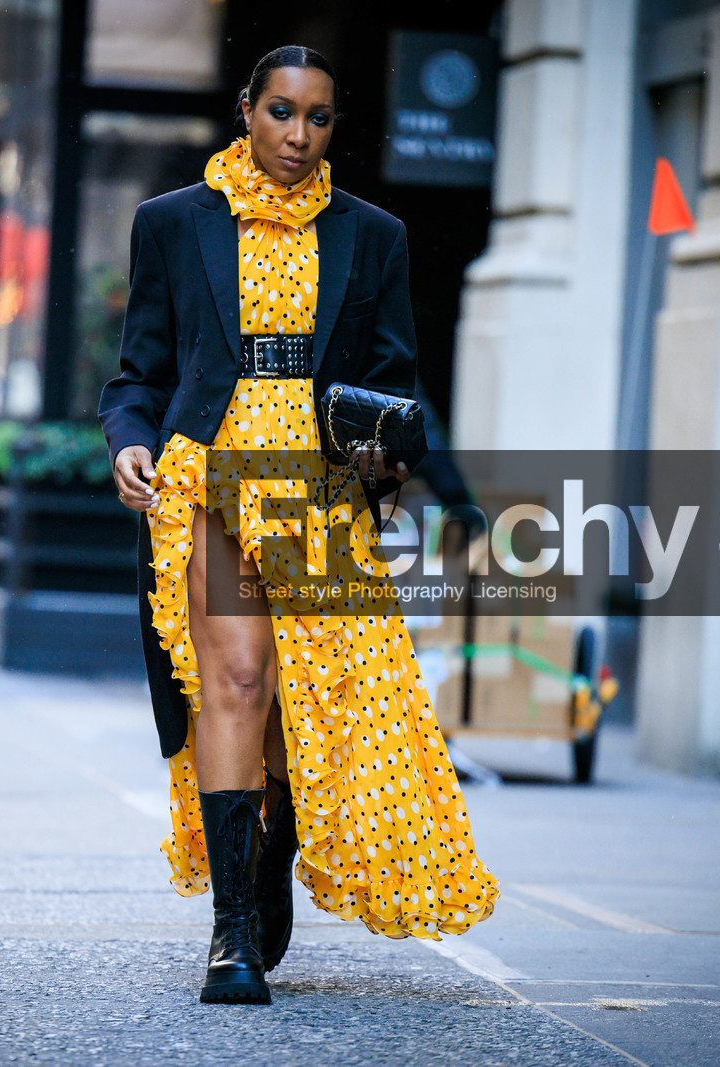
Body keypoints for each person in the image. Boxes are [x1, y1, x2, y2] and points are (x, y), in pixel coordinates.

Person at [99, 46, 498, 1005]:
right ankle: (231, 932)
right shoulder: (172, 223)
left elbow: (396, 383)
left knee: (298, 705)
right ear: (247, 111)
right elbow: (138, 374)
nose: (297, 134)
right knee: (235, 679)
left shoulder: (373, 236)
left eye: (318, 118)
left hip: (317, 490)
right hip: (208, 474)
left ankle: (269, 846)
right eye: (281, 112)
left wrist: (391, 463)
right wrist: (126, 441)